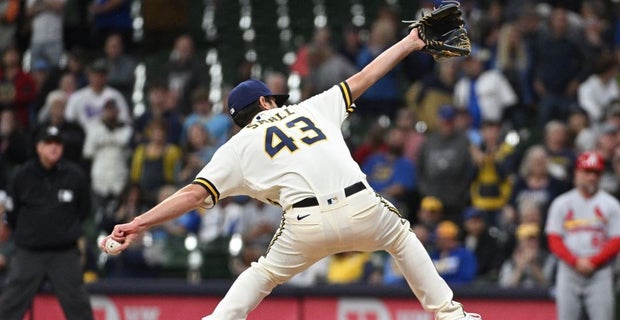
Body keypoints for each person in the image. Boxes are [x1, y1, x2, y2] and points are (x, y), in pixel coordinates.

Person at [101, 27, 481, 320]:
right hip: (361, 206)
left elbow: (192, 194)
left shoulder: (236, 147)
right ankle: (450, 314)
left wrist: (139, 222)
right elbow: (366, 75)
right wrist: (411, 40)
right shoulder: (311, 108)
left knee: (263, 274)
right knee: (400, 238)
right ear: (265, 102)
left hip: (304, 223)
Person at [0, 126, 94, 319]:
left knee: (79, 307)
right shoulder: (22, 176)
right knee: (9, 306)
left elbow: (84, 210)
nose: (54, 148)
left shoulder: (74, 175)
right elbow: (11, 212)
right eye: (48, 143)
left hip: (64, 253)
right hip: (29, 252)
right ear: (38, 147)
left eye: (57, 143)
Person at [545, 151, 620, 320]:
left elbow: (616, 240)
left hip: (600, 272)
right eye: (587, 172)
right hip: (569, 270)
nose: (592, 177)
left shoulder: (611, 205)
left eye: (596, 173)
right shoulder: (562, 203)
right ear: (577, 173)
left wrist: (593, 262)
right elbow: (554, 239)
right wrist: (575, 261)